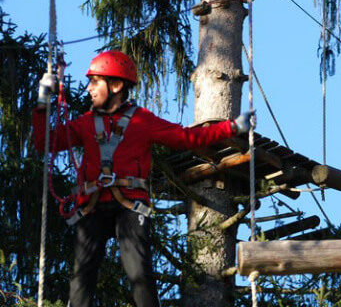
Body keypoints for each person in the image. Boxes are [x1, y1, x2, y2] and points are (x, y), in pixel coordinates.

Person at [33, 50, 254, 307]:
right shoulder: (84, 124)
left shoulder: (141, 121)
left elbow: (186, 138)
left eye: (95, 82)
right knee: (82, 274)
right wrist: (42, 101)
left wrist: (233, 127)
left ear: (115, 85)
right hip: (92, 205)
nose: (89, 89)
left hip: (129, 204)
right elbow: (44, 142)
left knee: (138, 269)